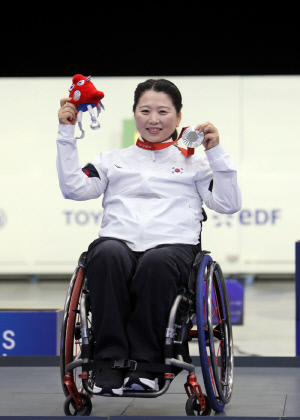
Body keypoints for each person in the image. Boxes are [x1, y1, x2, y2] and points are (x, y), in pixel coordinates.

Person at [56, 78, 241, 397]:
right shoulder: (111, 159)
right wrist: (66, 133)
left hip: (173, 249)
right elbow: (74, 189)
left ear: (178, 117)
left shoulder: (195, 163)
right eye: (145, 110)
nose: (153, 119)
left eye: (163, 111)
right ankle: (109, 363)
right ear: (135, 114)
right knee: (106, 254)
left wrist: (216, 153)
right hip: (118, 243)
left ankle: (146, 367)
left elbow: (228, 203)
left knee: (157, 262)